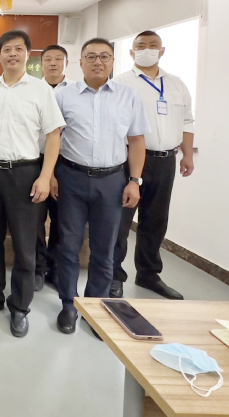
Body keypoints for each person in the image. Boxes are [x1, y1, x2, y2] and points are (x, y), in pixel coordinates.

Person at [0, 31, 65, 338]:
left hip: (26, 173)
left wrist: (45, 176)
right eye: (6, 49)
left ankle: (20, 307)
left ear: (27, 54)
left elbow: (53, 135)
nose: (12, 54)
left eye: (18, 49)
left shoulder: (40, 90)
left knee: (24, 246)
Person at [54, 38, 150, 335]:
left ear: (113, 61)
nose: (98, 62)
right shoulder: (63, 95)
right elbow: (52, 137)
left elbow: (137, 141)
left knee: (104, 249)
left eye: (105, 56)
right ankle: (69, 305)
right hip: (70, 178)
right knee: (68, 246)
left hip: (112, 181)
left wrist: (134, 181)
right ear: (80, 62)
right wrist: (51, 175)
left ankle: (96, 307)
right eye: (92, 56)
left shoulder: (128, 96)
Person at [111, 30, 194, 301]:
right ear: (132, 52)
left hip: (165, 160)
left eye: (153, 45)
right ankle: (114, 275)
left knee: (156, 220)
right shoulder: (121, 82)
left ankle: (148, 274)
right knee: (121, 221)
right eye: (141, 46)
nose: (147, 49)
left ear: (162, 50)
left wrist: (187, 154)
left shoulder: (176, 84)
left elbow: (187, 121)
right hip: (130, 159)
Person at [35, 44, 71, 292]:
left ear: (66, 63)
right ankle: (38, 268)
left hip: (66, 164)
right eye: (48, 59)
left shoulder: (75, 91)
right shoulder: (32, 89)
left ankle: (55, 269)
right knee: (35, 220)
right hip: (35, 161)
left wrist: (55, 172)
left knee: (61, 220)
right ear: (41, 64)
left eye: (59, 59)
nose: (53, 63)